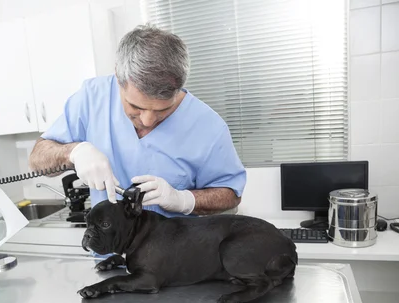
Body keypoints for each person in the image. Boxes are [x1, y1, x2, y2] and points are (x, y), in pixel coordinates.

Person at [29, 25, 246, 217]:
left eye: (164, 109)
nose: (148, 120)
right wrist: (73, 152)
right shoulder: (92, 98)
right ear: (118, 77)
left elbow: (230, 195)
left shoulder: (209, 127)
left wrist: (184, 200)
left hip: (176, 259)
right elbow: (38, 160)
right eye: (136, 107)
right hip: (110, 258)